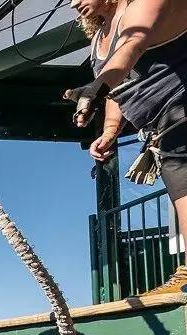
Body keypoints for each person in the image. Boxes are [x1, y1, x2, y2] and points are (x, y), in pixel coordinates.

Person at [66, 0, 187, 225]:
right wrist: (110, 130)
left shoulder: (144, 5)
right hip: (163, 132)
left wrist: (95, 89)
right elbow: (116, 90)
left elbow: (133, 46)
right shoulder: (97, 41)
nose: (74, 3)